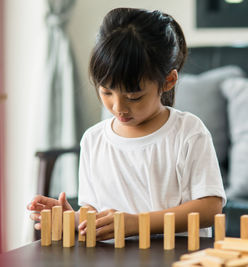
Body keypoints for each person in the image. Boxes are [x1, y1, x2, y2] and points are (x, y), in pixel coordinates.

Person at [27, 7, 226, 241]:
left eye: (134, 97)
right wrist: (75, 219)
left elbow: (210, 208)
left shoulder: (189, 132)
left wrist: (136, 223)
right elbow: (94, 211)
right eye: (106, 92)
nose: (119, 107)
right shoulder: (93, 140)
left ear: (168, 81)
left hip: (178, 257)